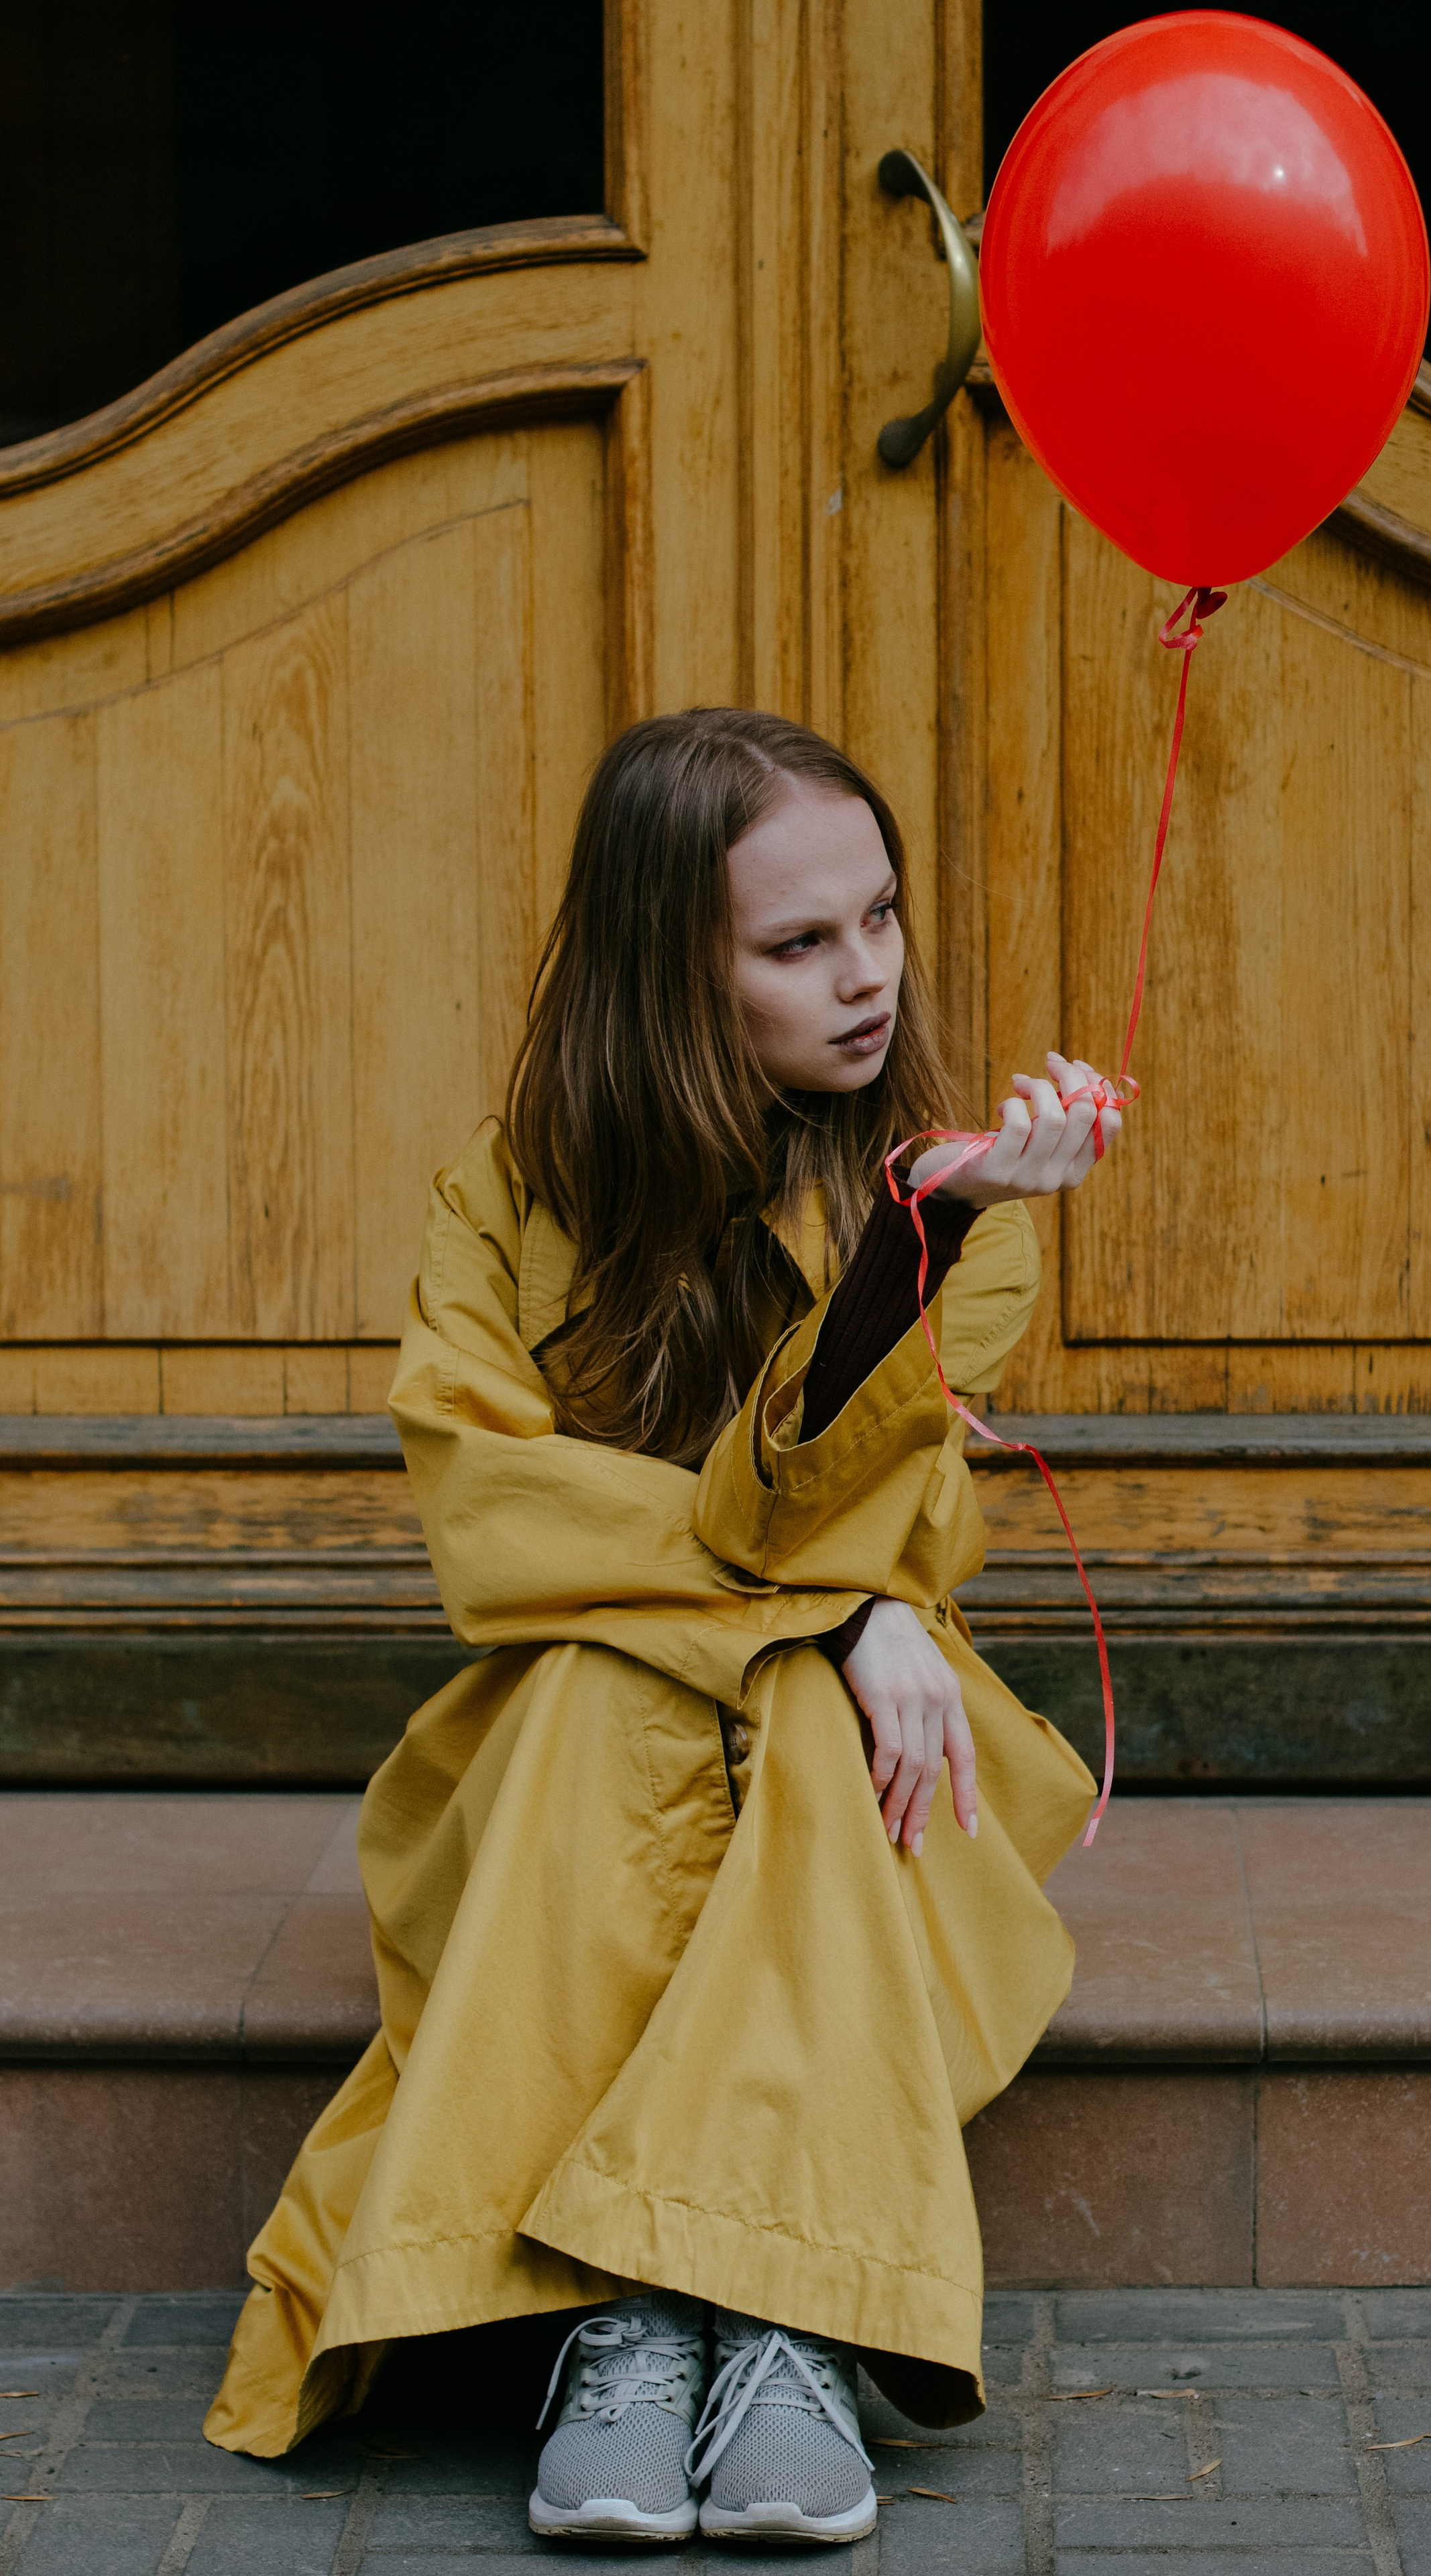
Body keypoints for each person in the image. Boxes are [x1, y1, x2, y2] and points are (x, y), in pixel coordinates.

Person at [203, 706, 1120, 2546]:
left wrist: (903, 1266)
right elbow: (498, 1521)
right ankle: (666, 2304)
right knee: (628, 1687)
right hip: (568, 1741)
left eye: (880, 917)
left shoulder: (961, 1208)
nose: (868, 976)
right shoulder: (508, 1196)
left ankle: (741, 2309)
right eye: (799, 942)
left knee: (797, 1717)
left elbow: (811, 1503)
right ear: (670, 969)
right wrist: (840, 1607)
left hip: (875, 1750)